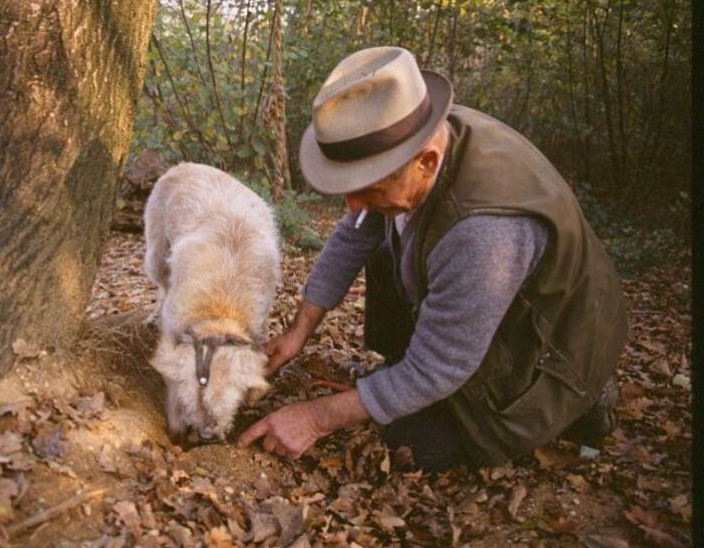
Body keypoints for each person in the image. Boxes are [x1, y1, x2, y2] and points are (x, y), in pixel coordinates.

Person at [237, 46, 627, 471]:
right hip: (488, 308)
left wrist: (315, 418)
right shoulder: (419, 136)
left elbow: (438, 369)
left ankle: (583, 402)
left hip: (553, 346)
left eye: (367, 187)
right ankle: (402, 374)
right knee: (386, 245)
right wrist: (299, 330)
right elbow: (355, 232)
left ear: (426, 161)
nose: (352, 205)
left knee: (410, 443)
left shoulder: (483, 234)